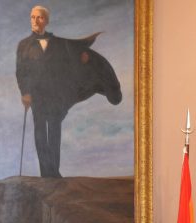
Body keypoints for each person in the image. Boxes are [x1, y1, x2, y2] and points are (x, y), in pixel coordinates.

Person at [16, 5, 122, 178]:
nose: (35, 21)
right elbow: (21, 72)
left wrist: (83, 57)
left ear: (46, 20)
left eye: (39, 17)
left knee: (54, 130)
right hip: (37, 95)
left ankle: (54, 173)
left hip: (56, 94)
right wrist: (25, 92)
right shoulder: (24, 45)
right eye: (32, 17)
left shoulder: (57, 43)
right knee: (40, 132)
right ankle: (45, 173)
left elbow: (71, 54)